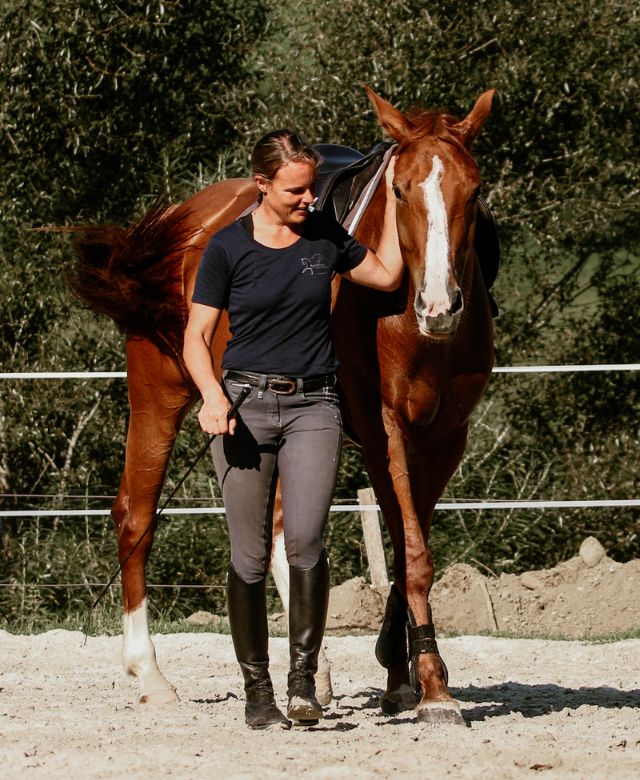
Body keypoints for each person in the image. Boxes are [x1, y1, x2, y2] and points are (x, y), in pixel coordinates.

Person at [183, 129, 402, 730]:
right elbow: (196, 337)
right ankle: (258, 692)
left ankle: (302, 681)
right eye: (296, 190)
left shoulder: (326, 235)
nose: (310, 198)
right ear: (263, 184)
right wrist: (210, 396)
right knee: (250, 556)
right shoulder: (228, 248)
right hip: (244, 408)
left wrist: (404, 202)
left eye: (311, 188)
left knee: (306, 542)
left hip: (315, 408)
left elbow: (386, 276)